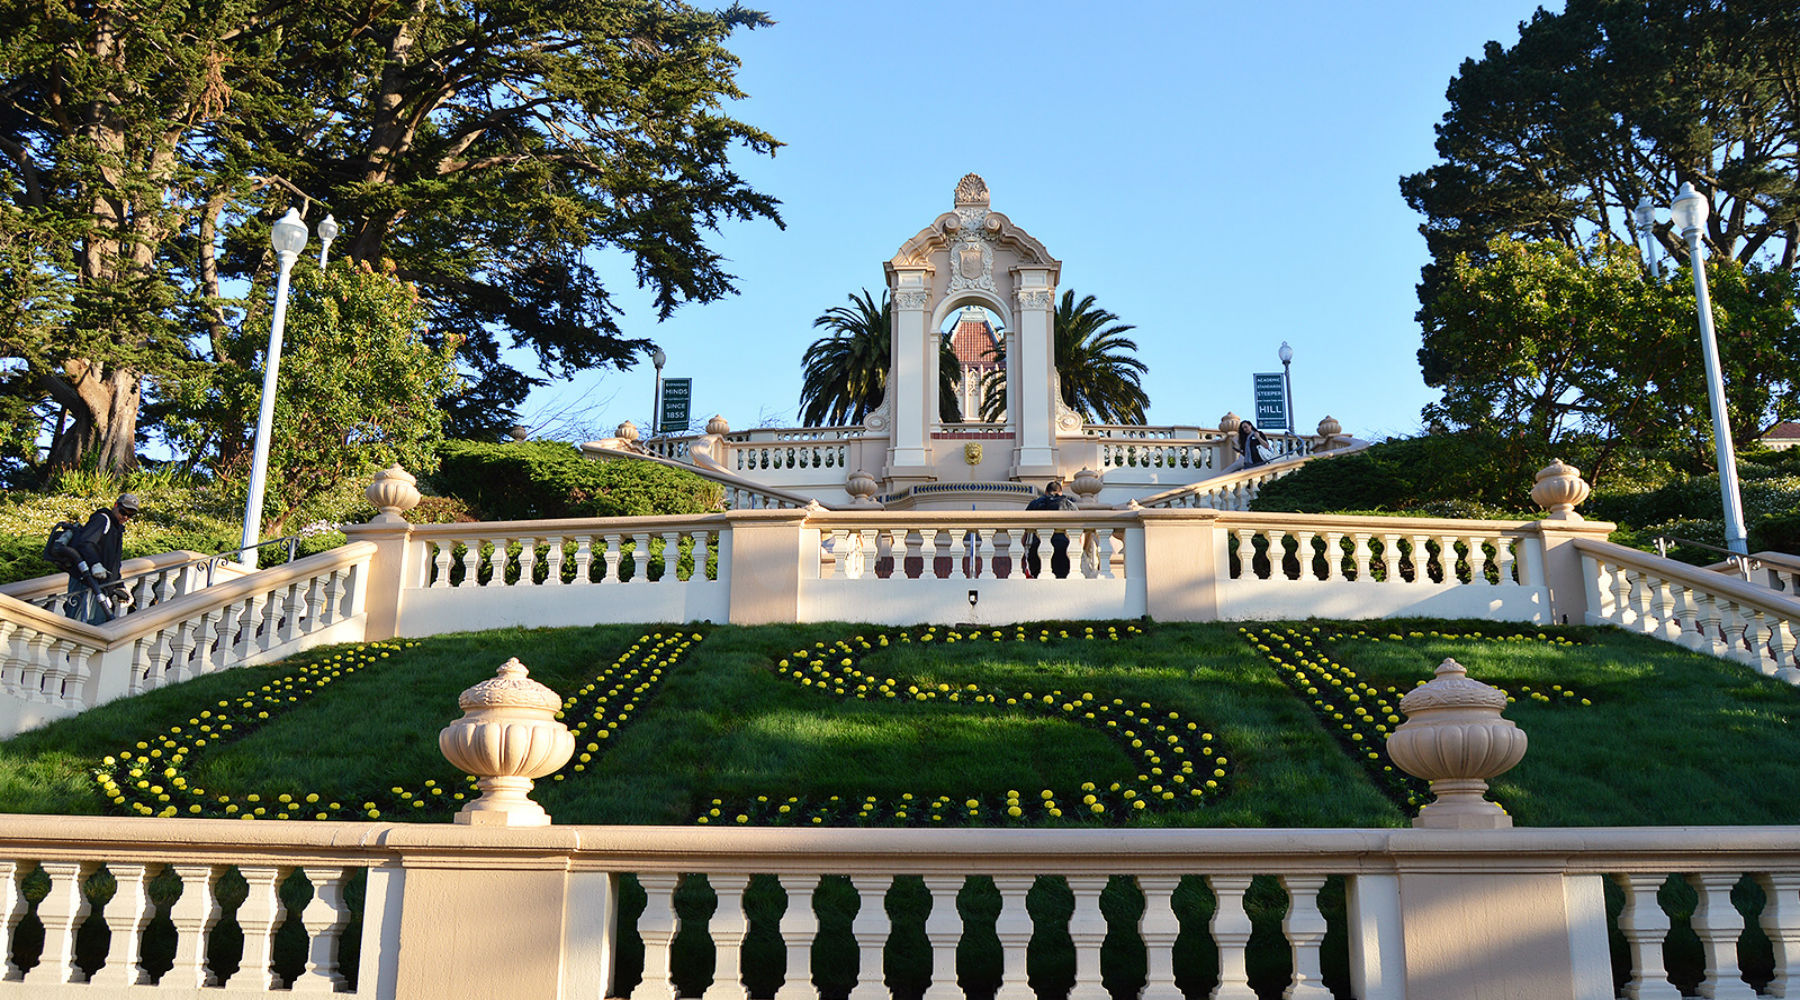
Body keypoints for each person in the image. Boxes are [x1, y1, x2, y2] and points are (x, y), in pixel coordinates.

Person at [64, 493, 139, 624]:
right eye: (123, 512)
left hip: (100, 586)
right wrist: (95, 564)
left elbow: (113, 564)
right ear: (115, 505)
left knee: (97, 625)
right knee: (78, 624)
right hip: (86, 581)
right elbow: (86, 543)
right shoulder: (102, 519)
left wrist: (119, 586)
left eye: (130, 515)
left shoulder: (117, 529)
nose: (125, 517)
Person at [1023, 480, 1078, 579]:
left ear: (1046, 493)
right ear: (1060, 492)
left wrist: (1024, 550)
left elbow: (1024, 529)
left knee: (1039, 581)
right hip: (1062, 548)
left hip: (1038, 548)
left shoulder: (1035, 503)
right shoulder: (1069, 504)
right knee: (1061, 580)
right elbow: (1079, 528)